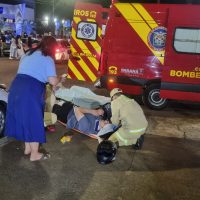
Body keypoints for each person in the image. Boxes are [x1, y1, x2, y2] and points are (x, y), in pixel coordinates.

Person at [5, 36, 63, 162]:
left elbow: (24, 72)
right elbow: (52, 81)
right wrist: (60, 79)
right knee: (33, 120)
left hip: (16, 87)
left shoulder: (28, 54)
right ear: (52, 48)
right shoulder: (47, 59)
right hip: (30, 90)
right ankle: (34, 154)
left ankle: (28, 148)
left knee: (24, 119)